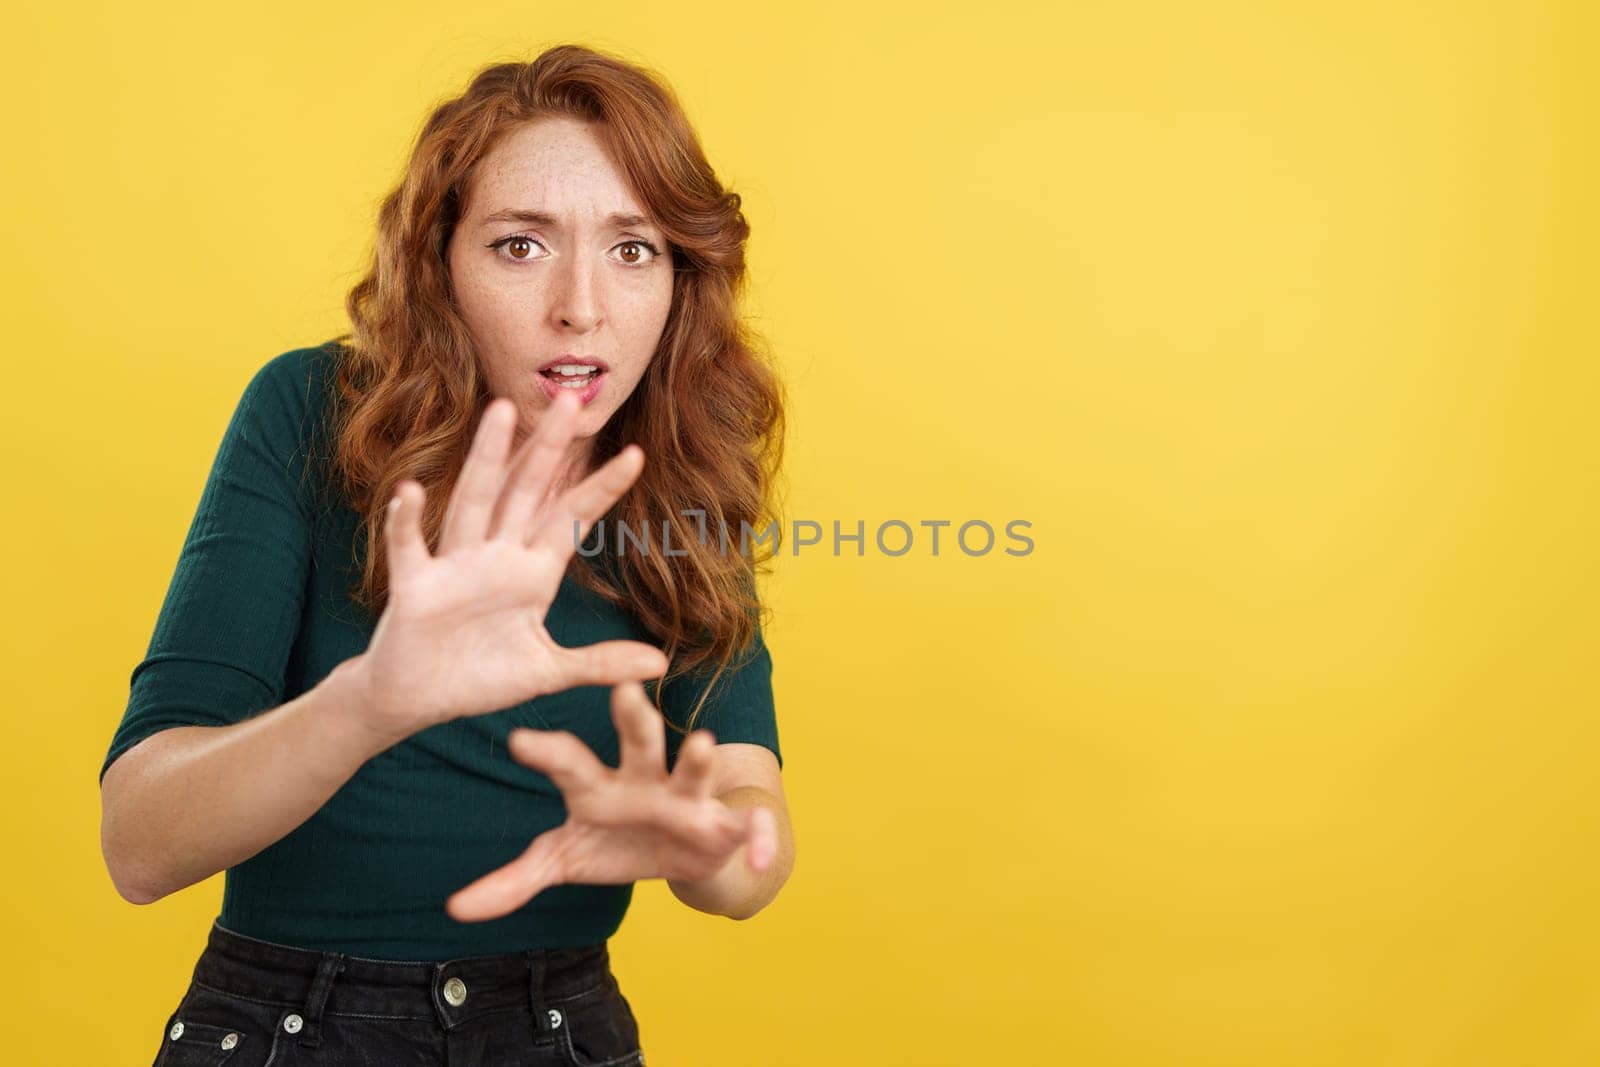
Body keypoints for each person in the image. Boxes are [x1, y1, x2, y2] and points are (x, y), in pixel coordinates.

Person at [98, 43, 794, 1066]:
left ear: (681, 277)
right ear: (441, 265)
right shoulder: (309, 412)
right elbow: (140, 844)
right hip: (288, 1024)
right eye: (520, 245)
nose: (581, 305)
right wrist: (371, 700)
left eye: (632, 248)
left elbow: (748, 800)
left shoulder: (685, 475)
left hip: (563, 1029)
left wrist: (715, 843)